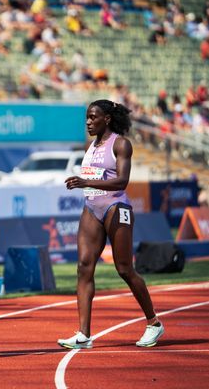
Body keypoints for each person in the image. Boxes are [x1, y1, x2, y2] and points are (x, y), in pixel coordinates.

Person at [57, 99, 164, 350]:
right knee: (84, 266)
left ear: (107, 118)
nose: (88, 122)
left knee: (125, 269)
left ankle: (154, 323)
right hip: (91, 207)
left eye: (93, 117)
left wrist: (86, 183)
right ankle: (83, 334)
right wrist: (86, 185)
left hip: (117, 207)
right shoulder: (90, 146)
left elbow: (122, 181)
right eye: (86, 117)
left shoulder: (121, 144)